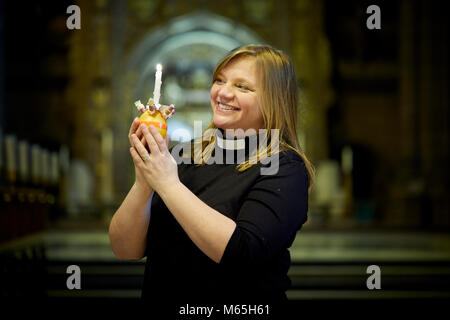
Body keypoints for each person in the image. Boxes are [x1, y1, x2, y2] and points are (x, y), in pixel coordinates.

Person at [109, 45, 314, 313]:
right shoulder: (184, 155)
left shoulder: (284, 166)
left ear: (273, 99)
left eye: (243, 87)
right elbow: (125, 249)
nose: (223, 93)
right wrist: (145, 181)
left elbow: (241, 253)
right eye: (220, 80)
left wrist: (168, 184)